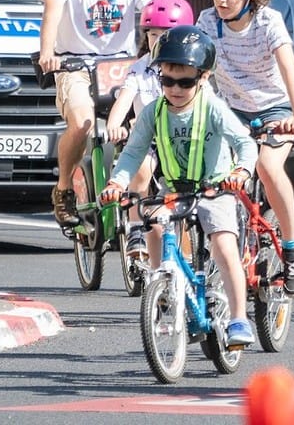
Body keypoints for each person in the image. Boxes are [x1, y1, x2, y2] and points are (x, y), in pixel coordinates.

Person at [99, 25, 258, 347]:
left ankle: (240, 318)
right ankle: (161, 287)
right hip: (175, 190)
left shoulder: (212, 107)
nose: (175, 88)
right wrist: (117, 182)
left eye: (185, 81)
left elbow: (244, 143)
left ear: (204, 78)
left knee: (224, 245)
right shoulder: (154, 112)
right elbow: (132, 152)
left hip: (215, 188)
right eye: (167, 80)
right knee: (154, 222)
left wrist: (241, 170)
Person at [197, 0, 294, 297]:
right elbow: (199, 73)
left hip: (275, 109)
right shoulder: (207, 23)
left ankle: (293, 247)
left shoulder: (267, 22)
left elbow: (289, 69)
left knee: (266, 165)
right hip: (232, 112)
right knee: (211, 174)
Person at [38, 0, 156, 231]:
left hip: (119, 66)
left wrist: (157, 49)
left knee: (143, 124)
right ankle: (63, 189)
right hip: (74, 65)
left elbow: (152, 16)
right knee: (83, 124)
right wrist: (48, 52)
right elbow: (51, 15)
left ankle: (137, 195)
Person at [105, 0, 194, 261]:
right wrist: (114, 125)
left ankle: (192, 253)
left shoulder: (192, 67)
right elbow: (124, 99)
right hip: (149, 139)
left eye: (167, 35)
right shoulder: (141, 68)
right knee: (140, 172)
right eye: (154, 35)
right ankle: (134, 228)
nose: (159, 42)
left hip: (184, 140)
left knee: (188, 195)